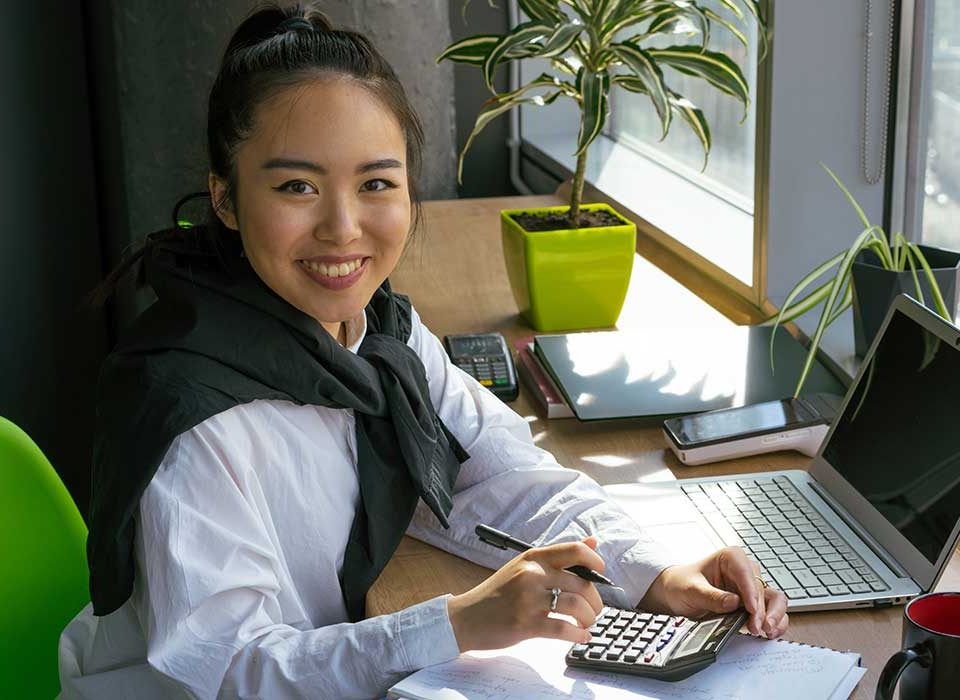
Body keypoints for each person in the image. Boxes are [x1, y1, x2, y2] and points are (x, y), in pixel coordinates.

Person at [58, 4, 788, 699]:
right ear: (225, 198)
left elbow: (502, 472)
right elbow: (229, 673)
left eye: (376, 182)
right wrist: (459, 621)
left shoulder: (381, 338)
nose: (343, 227)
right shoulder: (192, 414)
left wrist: (655, 569)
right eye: (295, 186)